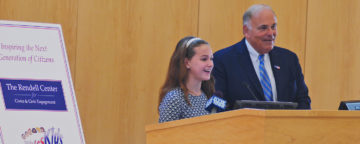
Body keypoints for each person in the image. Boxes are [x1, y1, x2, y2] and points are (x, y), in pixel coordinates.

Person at [213, 4, 311, 110]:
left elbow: (303, 100)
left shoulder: (289, 59)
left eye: (273, 27)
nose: (271, 33)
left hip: (284, 125)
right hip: (241, 125)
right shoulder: (223, 60)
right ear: (246, 30)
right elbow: (217, 102)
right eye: (263, 28)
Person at [158, 36, 215, 123]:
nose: (210, 64)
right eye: (204, 59)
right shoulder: (174, 98)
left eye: (211, 59)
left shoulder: (208, 94)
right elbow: (164, 135)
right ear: (187, 63)